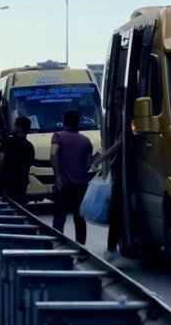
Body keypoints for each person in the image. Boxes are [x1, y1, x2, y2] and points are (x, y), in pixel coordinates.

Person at [91, 87, 125, 261]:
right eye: (115, 100)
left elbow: (120, 144)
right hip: (118, 168)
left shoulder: (126, 117)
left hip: (124, 171)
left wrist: (100, 160)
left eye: (120, 99)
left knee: (116, 207)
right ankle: (114, 245)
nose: (117, 103)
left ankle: (113, 247)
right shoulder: (119, 116)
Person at [51, 109, 94, 244]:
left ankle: (58, 243)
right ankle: (81, 246)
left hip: (63, 184)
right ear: (78, 122)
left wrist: (57, 175)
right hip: (81, 185)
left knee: (59, 217)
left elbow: (53, 153)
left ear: (64, 121)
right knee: (79, 218)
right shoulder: (86, 141)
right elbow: (88, 164)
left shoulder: (58, 136)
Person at [0, 117, 35, 206]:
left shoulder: (9, 141)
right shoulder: (30, 146)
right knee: (19, 207)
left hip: (6, 179)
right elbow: (30, 163)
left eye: (14, 125)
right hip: (22, 182)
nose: (12, 128)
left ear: (19, 128)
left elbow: (1, 159)